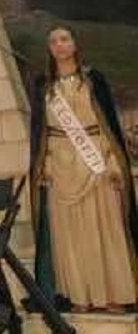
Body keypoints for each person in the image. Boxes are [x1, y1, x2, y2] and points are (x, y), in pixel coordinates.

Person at [30, 25, 138, 313]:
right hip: (60, 168)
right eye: (53, 41)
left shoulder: (93, 80)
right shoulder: (44, 86)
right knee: (71, 236)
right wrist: (44, 165)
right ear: (49, 48)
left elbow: (109, 126)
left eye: (64, 39)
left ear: (75, 44)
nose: (59, 45)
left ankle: (114, 294)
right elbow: (40, 133)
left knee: (105, 230)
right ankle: (80, 295)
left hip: (96, 163)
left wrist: (113, 163)